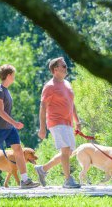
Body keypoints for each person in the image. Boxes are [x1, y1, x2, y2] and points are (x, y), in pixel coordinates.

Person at [35, 57, 81, 188]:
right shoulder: (49, 86)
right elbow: (43, 107)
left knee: (68, 152)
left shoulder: (67, 84)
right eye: (64, 66)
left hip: (68, 123)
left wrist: (77, 121)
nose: (66, 68)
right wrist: (42, 128)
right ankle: (68, 180)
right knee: (65, 149)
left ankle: (42, 169)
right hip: (56, 121)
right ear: (56, 69)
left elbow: (72, 104)